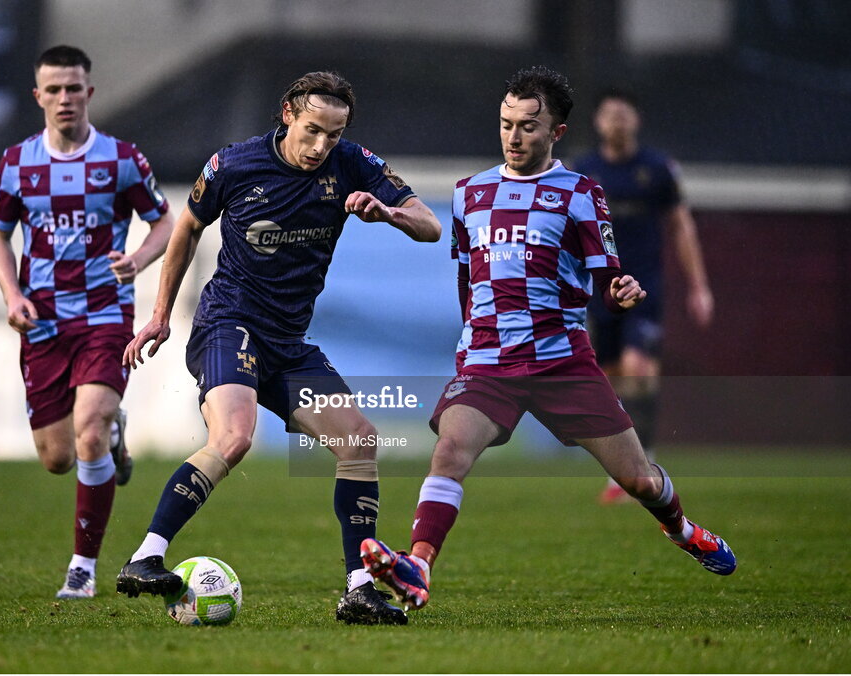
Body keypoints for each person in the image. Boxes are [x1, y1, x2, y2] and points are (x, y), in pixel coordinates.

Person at [360, 66, 736, 612]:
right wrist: (471, 344)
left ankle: (681, 529)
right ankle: (418, 565)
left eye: (529, 127)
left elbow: (607, 280)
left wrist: (622, 292)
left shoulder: (582, 194)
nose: (514, 136)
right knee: (450, 451)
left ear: (556, 131)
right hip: (490, 363)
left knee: (639, 481)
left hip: (563, 362)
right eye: (506, 124)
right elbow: (468, 279)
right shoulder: (469, 195)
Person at [114, 71, 441, 625]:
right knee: (235, 437)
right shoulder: (233, 165)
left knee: (359, 441)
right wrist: (161, 315)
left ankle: (359, 589)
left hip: (288, 344)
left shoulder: (355, 164)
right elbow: (187, 227)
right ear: (288, 113)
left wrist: (387, 214)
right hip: (229, 323)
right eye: (313, 130)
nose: (321, 147)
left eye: (333, 135)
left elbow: (430, 226)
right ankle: (145, 558)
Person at [0, 45, 174, 599]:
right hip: (42, 325)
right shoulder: (18, 162)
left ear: (89, 92)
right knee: (57, 458)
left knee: (87, 428)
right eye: (55, 89)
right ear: (38, 96)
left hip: (105, 317)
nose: (65, 98)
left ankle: (83, 569)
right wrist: (12, 294)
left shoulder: (120, 159)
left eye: (75, 88)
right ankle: (111, 436)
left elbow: (165, 222)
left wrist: (137, 260)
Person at [573, 89, 714, 504]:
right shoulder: (584, 170)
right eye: (608, 114)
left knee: (639, 368)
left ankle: (646, 461)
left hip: (645, 286)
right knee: (613, 377)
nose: (616, 121)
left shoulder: (656, 170)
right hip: (601, 289)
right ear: (598, 122)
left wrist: (699, 286)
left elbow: (681, 226)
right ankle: (626, 467)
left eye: (623, 113)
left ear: (635, 119)